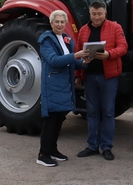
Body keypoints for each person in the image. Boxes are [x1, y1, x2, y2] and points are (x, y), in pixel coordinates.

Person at [37, 10, 90, 167]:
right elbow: (54, 60)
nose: (59, 24)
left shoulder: (67, 40)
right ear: (51, 23)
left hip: (64, 85)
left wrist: (85, 63)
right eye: (57, 22)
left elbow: (71, 62)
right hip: (53, 84)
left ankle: (53, 149)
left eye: (62, 22)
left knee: (59, 117)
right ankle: (43, 154)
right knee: (51, 120)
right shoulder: (46, 40)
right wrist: (76, 56)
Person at [75, 1, 128, 161]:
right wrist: (77, 74)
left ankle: (106, 147)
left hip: (108, 77)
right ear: (90, 14)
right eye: (93, 14)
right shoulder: (84, 30)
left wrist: (109, 54)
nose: (96, 17)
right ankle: (92, 146)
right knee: (92, 113)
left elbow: (123, 47)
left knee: (108, 113)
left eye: (99, 14)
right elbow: (77, 51)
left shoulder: (115, 28)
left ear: (105, 13)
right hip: (90, 77)